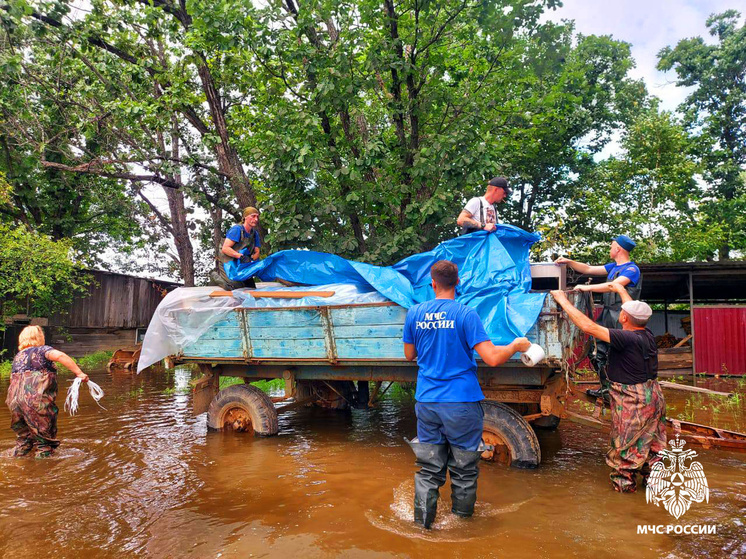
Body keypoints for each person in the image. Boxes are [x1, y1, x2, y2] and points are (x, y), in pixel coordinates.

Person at [402, 260, 531, 528]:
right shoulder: (466, 314)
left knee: (429, 469)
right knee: (463, 469)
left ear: (433, 284)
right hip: (461, 402)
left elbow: (409, 354)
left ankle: (422, 527)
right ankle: (460, 529)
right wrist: (516, 345)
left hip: (427, 401)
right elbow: (492, 358)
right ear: (458, 283)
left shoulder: (414, 313)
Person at [551, 284, 666, 493]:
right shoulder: (646, 333)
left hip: (633, 399)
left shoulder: (626, 338)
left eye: (622, 312)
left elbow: (588, 327)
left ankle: (623, 500)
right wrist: (620, 290)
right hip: (653, 394)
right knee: (653, 446)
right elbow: (630, 307)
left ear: (623, 318)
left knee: (624, 450)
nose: (620, 312)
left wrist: (562, 300)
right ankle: (654, 492)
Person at [555, 235, 642, 399]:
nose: (610, 249)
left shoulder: (632, 269)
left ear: (618, 249)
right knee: (597, 352)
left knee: (617, 353)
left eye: (611, 246)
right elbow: (588, 269)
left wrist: (586, 288)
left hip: (622, 316)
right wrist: (568, 261)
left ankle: (623, 391)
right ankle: (606, 389)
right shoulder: (613, 267)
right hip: (608, 313)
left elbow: (613, 286)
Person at [5, 325, 89, 458]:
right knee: (44, 443)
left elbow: (12, 380)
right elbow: (60, 356)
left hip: (14, 403)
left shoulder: (18, 356)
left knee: (23, 441)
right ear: (39, 337)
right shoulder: (42, 350)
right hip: (36, 402)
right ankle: (44, 473)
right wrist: (79, 373)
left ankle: (19, 466)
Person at [210, 206, 262, 290]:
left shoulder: (254, 234)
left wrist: (251, 259)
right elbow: (225, 248)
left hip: (241, 264)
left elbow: (257, 252)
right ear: (245, 217)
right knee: (234, 287)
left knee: (251, 287)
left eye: (257, 216)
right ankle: (215, 276)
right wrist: (241, 256)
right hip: (228, 263)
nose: (256, 219)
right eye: (253, 216)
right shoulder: (237, 230)